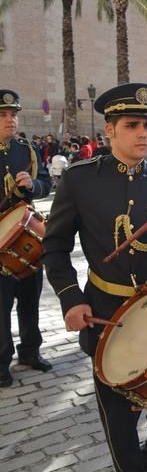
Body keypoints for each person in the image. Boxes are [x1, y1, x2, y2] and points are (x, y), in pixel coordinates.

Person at [42, 83, 147, 471]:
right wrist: (71, 298)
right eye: (133, 124)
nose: (144, 132)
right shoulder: (80, 180)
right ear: (110, 129)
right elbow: (55, 247)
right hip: (107, 310)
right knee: (119, 416)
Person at [0, 89, 53, 388]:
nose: (10, 120)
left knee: (30, 299)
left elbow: (46, 183)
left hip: (27, 236)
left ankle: (30, 351)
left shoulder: (27, 150)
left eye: (13, 114)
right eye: (3, 115)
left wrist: (34, 184)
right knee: (1, 306)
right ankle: (1, 362)